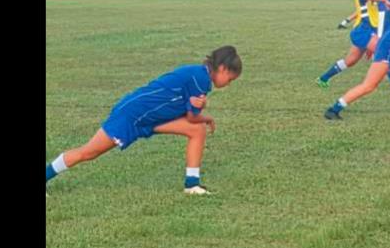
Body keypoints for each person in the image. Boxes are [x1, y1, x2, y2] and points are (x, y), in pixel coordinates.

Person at [45, 46, 242, 195]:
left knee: (196, 131)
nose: (229, 84)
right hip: (131, 115)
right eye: (231, 79)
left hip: (150, 118)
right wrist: (204, 113)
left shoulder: (198, 74)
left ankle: (192, 184)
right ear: (222, 69)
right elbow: (192, 116)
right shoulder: (202, 80)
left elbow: (188, 115)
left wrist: (202, 114)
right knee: (88, 152)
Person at [317, 0, 390, 91]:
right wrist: (385, 0)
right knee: (385, 52)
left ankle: (323, 79)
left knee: (350, 61)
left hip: (367, 32)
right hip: (362, 32)